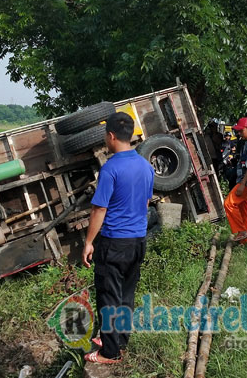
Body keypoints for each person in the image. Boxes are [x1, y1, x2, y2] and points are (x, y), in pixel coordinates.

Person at [81, 112, 154, 364]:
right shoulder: (146, 165)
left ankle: (109, 353)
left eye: (105, 135)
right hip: (138, 241)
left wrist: (89, 242)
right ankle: (119, 339)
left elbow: (99, 209)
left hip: (114, 243)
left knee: (109, 297)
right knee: (125, 294)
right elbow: (145, 201)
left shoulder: (111, 168)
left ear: (111, 136)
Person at [223, 117, 247, 244]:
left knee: (228, 204)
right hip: (245, 181)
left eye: (241, 131)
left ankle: (241, 231)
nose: (239, 133)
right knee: (244, 210)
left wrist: (242, 184)